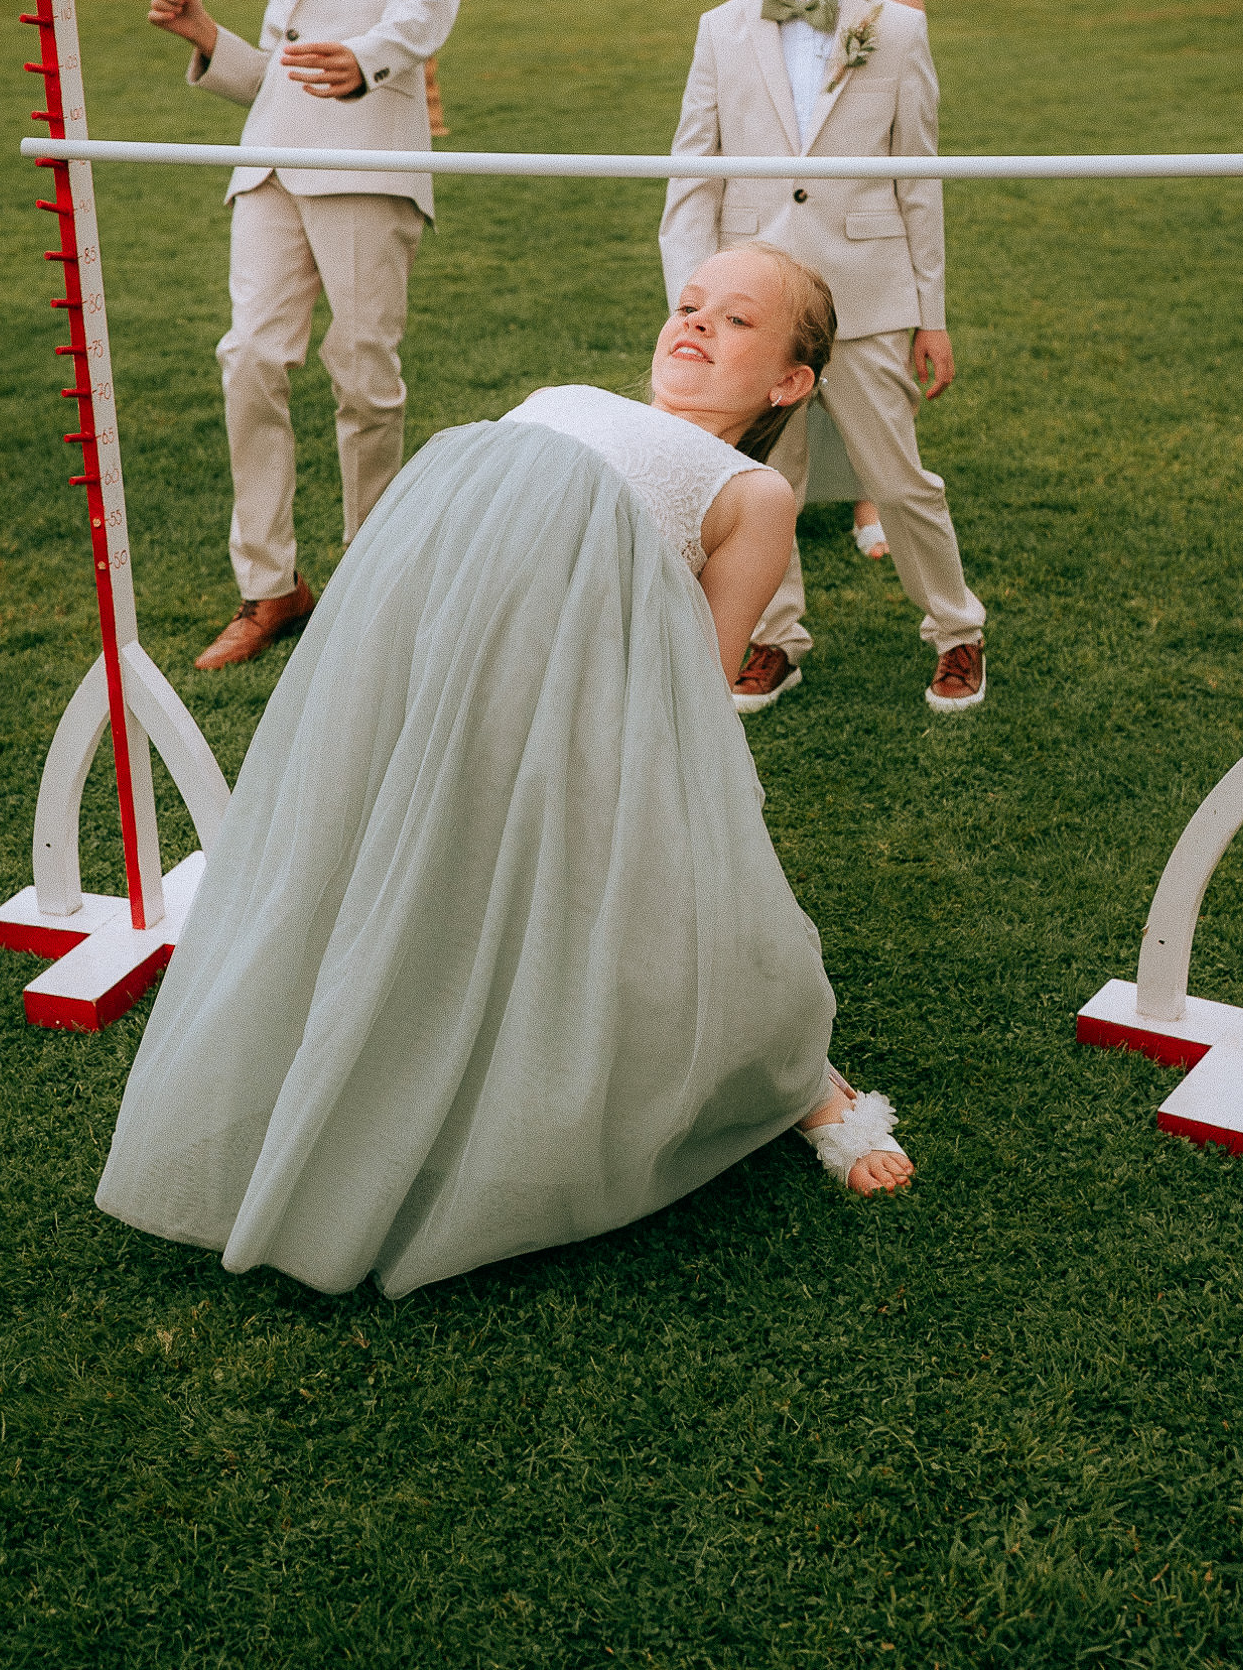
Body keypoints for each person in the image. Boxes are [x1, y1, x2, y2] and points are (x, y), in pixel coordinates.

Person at [95, 245, 913, 1300]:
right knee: (406, 887)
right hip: (441, 695)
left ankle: (799, 1078)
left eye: (739, 322)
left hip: (574, 724)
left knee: (669, 920)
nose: (698, 323)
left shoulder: (748, 490)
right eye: (689, 303)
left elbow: (699, 674)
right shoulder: (561, 400)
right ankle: (370, 1061)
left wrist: (649, 789)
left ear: (789, 383)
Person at [147, 0, 467, 672]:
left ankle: (373, 580)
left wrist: (367, 58)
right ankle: (270, 585)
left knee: (363, 373)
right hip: (269, 170)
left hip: (367, 164)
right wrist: (211, 38)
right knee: (248, 355)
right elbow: (283, 79)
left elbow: (425, 8)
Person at [661, 0, 986, 715]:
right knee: (766, 476)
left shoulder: (899, 31)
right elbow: (691, 176)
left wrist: (932, 311)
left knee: (897, 475)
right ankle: (773, 637)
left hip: (872, 293)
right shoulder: (720, 31)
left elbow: (918, 179)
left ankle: (956, 628)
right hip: (751, 305)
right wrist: (690, 305)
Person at [728, 0, 919, 563]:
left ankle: (875, 498)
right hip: (772, 234)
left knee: (875, 398)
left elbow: (908, 54)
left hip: (857, 230)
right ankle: (774, 615)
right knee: (777, 422)